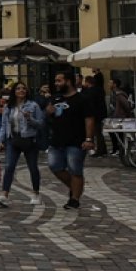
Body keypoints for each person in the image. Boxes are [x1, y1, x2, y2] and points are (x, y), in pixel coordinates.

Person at [46, 71, 96, 210]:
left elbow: (89, 119)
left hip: (76, 141)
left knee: (75, 170)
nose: (56, 84)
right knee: (54, 166)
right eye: (56, 81)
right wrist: (48, 113)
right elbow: (50, 118)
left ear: (68, 81)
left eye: (59, 81)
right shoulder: (56, 99)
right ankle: (75, 188)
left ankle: (74, 199)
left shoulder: (82, 99)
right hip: (57, 140)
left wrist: (88, 139)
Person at [0, 82, 43, 207]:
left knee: (33, 167)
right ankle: (4, 194)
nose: (22, 90)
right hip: (13, 139)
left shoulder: (33, 105)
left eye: (24, 88)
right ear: (14, 92)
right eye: (18, 88)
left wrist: (29, 119)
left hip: (29, 140)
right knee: (9, 166)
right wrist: (0, 140)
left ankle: (36, 193)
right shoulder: (9, 107)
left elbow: (41, 124)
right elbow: (4, 125)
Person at [83, 73, 108, 157]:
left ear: (88, 82)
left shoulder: (90, 92)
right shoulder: (100, 90)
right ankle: (103, 149)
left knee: (95, 133)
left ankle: (97, 150)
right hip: (101, 114)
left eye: (85, 82)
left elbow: (90, 105)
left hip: (94, 116)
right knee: (99, 133)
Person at [108, 79, 133, 157]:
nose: (108, 84)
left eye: (110, 83)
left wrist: (125, 114)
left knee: (118, 133)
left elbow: (127, 106)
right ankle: (117, 149)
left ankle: (119, 149)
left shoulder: (119, 94)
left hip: (120, 117)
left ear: (115, 85)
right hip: (114, 117)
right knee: (113, 132)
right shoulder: (113, 93)